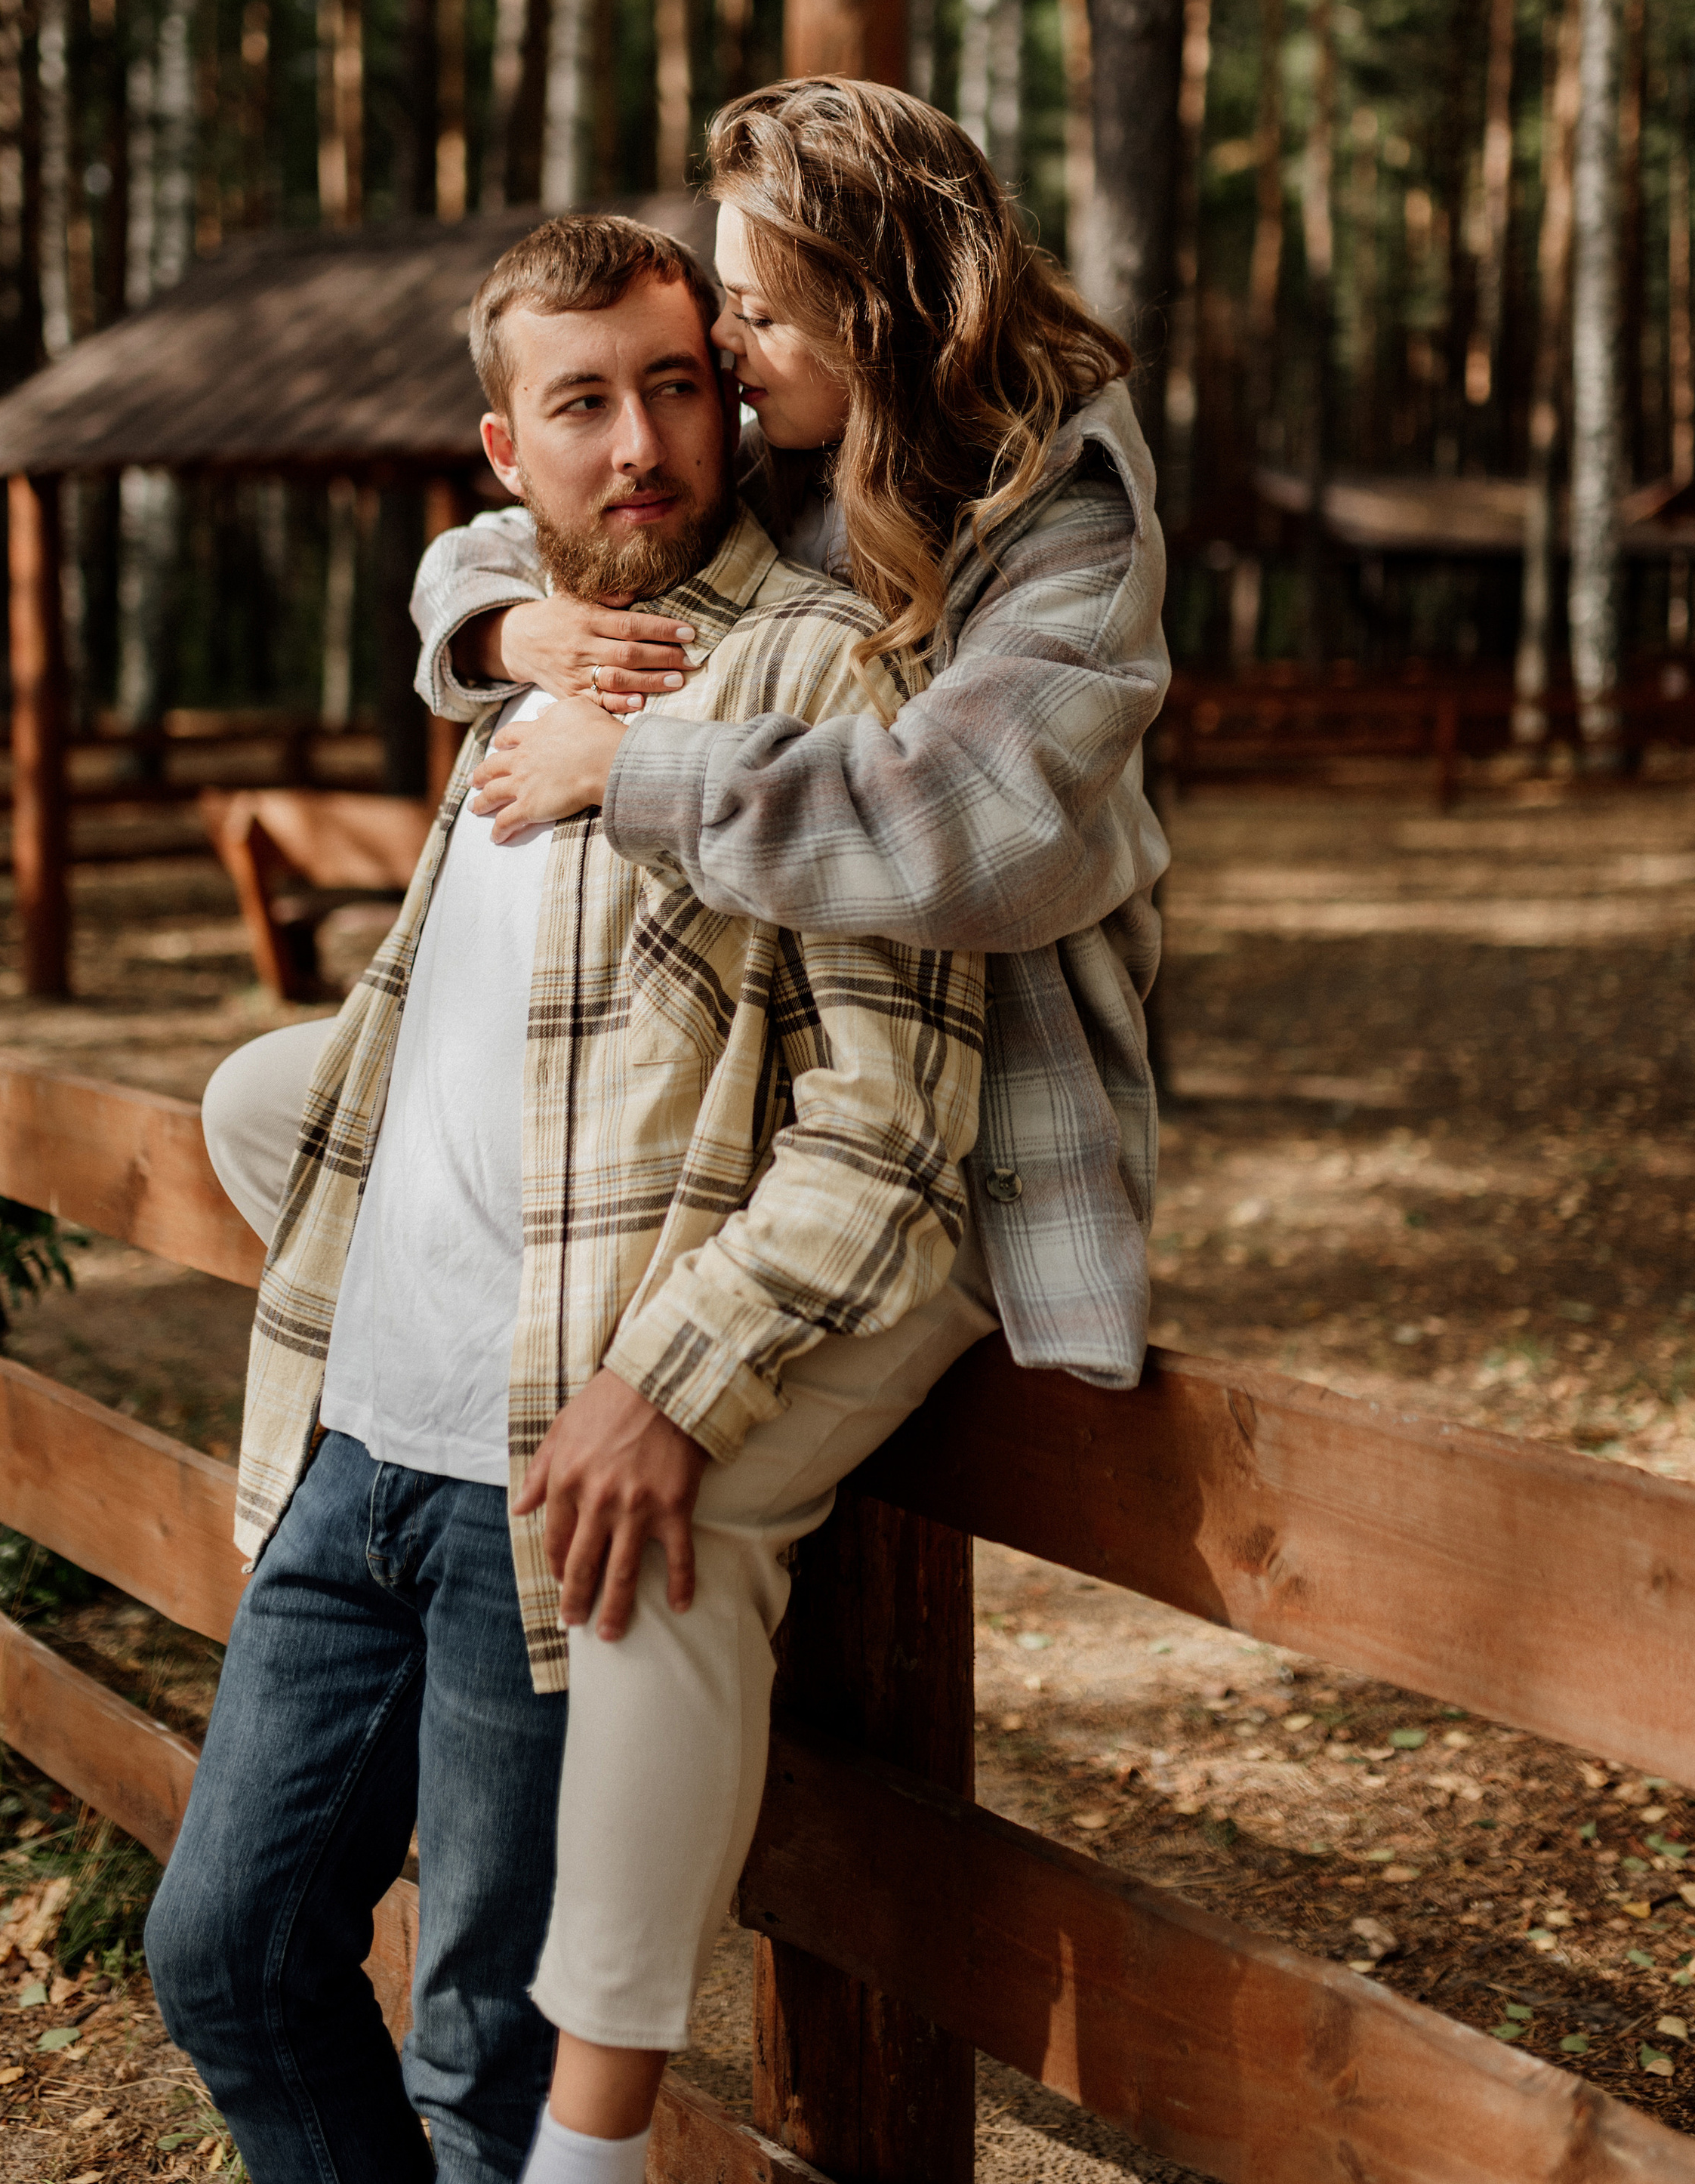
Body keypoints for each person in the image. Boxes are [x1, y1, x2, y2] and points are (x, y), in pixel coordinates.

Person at [143, 212, 991, 2184]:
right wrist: (506, 627)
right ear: (506, 449)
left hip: (558, 1487)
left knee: (486, 2080)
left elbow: (894, 1131)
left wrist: (668, 1377)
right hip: (353, 1434)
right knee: (227, 1953)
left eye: (678, 384)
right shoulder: (516, 644)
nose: (641, 442)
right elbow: (452, 592)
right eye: (585, 403)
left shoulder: (827, 680)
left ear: (733, 399)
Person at [427, 76, 1169, 1399]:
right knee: (291, 1120)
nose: (723, 342)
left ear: (876, 330)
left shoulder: (1072, 524)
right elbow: (528, 526)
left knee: (666, 1509)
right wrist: (508, 628)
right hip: (748, 1057)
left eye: (761, 314)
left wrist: (632, 769)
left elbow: (968, 817)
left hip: (960, 1118)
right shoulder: (804, 434)